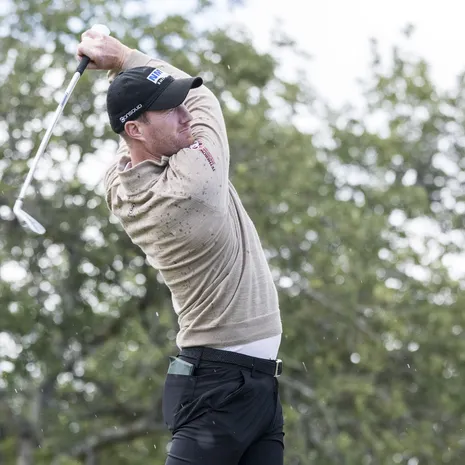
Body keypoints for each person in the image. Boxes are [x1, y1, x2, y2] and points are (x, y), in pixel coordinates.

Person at [77, 27, 284, 465]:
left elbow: (134, 149)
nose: (185, 114)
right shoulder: (194, 181)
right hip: (218, 386)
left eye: (178, 103)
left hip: (252, 385)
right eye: (170, 109)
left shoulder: (119, 185)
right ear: (135, 128)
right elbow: (205, 100)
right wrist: (122, 57)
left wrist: (128, 83)